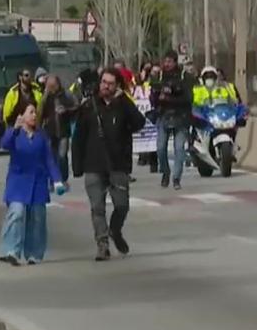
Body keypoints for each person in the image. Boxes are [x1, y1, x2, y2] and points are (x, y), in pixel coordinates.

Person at [72, 67, 146, 261]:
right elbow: (78, 137)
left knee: (122, 205)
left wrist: (124, 100)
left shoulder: (123, 105)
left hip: (118, 164)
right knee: (97, 208)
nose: (106, 86)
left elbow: (140, 122)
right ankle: (102, 245)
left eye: (110, 83)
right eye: (103, 82)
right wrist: (77, 166)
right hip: (93, 165)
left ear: (117, 86)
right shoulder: (88, 106)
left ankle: (115, 230)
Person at [0, 105, 63, 266]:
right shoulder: (15, 133)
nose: (34, 116)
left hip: (38, 182)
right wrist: (15, 128)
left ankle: (34, 253)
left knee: (37, 218)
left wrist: (57, 180)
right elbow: (4, 144)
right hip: (18, 181)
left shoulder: (41, 136)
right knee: (17, 212)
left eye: (36, 112)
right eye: (31, 112)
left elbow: (49, 160)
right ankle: (11, 250)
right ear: (22, 115)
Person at [150, 50, 193, 190]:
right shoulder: (159, 76)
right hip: (163, 116)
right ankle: (165, 173)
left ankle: (176, 178)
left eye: (169, 61)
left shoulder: (184, 76)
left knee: (179, 149)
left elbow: (188, 98)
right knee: (160, 148)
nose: (166, 64)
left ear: (175, 62)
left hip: (181, 117)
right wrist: (157, 96)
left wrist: (171, 95)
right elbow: (153, 97)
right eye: (165, 61)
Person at [41, 74, 77, 181]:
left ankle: (63, 178)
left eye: (53, 86)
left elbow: (76, 106)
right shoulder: (46, 96)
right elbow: (40, 111)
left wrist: (66, 110)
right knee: (51, 156)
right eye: (49, 86)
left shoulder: (66, 94)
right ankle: (54, 179)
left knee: (62, 156)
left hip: (63, 130)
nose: (52, 88)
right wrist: (45, 96)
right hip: (50, 131)